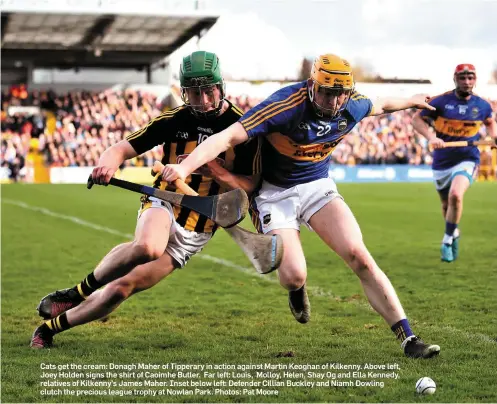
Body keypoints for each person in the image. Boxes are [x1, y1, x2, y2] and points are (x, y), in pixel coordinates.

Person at [161, 53, 441, 359]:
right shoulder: (285, 106)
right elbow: (226, 137)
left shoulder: (353, 104)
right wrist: (186, 166)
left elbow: (383, 104)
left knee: (359, 256)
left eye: (340, 95)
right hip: (274, 194)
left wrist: (412, 99)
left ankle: (409, 339)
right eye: (326, 93)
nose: (333, 104)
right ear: (311, 85)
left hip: (317, 187)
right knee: (294, 275)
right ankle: (296, 289)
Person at [30, 51, 261, 348]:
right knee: (149, 246)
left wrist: (213, 169)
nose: (202, 100)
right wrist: (106, 163)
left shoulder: (241, 128)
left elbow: (249, 185)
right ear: (184, 92)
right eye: (194, 92)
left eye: (208, 90)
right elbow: (120, 148)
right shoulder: (173, 119)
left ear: (221, 88)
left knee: (120, 289)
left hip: (198, 228)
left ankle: (48, 330)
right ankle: (75, 293)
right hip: (164, 200)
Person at [412, 64, 496, 262]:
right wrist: (431, 137)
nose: (467, 82)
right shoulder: (440, 101)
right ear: (455, 79)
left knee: (456, 195)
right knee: (445, 204)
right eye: (462, 78)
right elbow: (417, 120)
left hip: (468, 158)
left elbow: (491, 123)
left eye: (470, 78)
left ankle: (447, 240)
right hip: (442, 161)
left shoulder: (482, 106)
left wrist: (494, 136)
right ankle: (454, 231)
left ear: (475, 80)